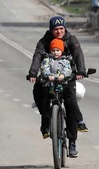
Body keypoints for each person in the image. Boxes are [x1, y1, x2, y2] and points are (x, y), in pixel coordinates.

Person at [27, 16, 88, 158]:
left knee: (71, 104)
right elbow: (37, 56)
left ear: (65, 28)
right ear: (51, 30)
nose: (59, 31)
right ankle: (46, 119)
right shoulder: (44, 41)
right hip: (49, 77)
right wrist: (33, 73)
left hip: (67, 78)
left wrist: (80, 70)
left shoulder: (72, 40)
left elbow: (78, 54)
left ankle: (72, 142)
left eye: (61, 29)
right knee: (38, 89)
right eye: (56, 29)